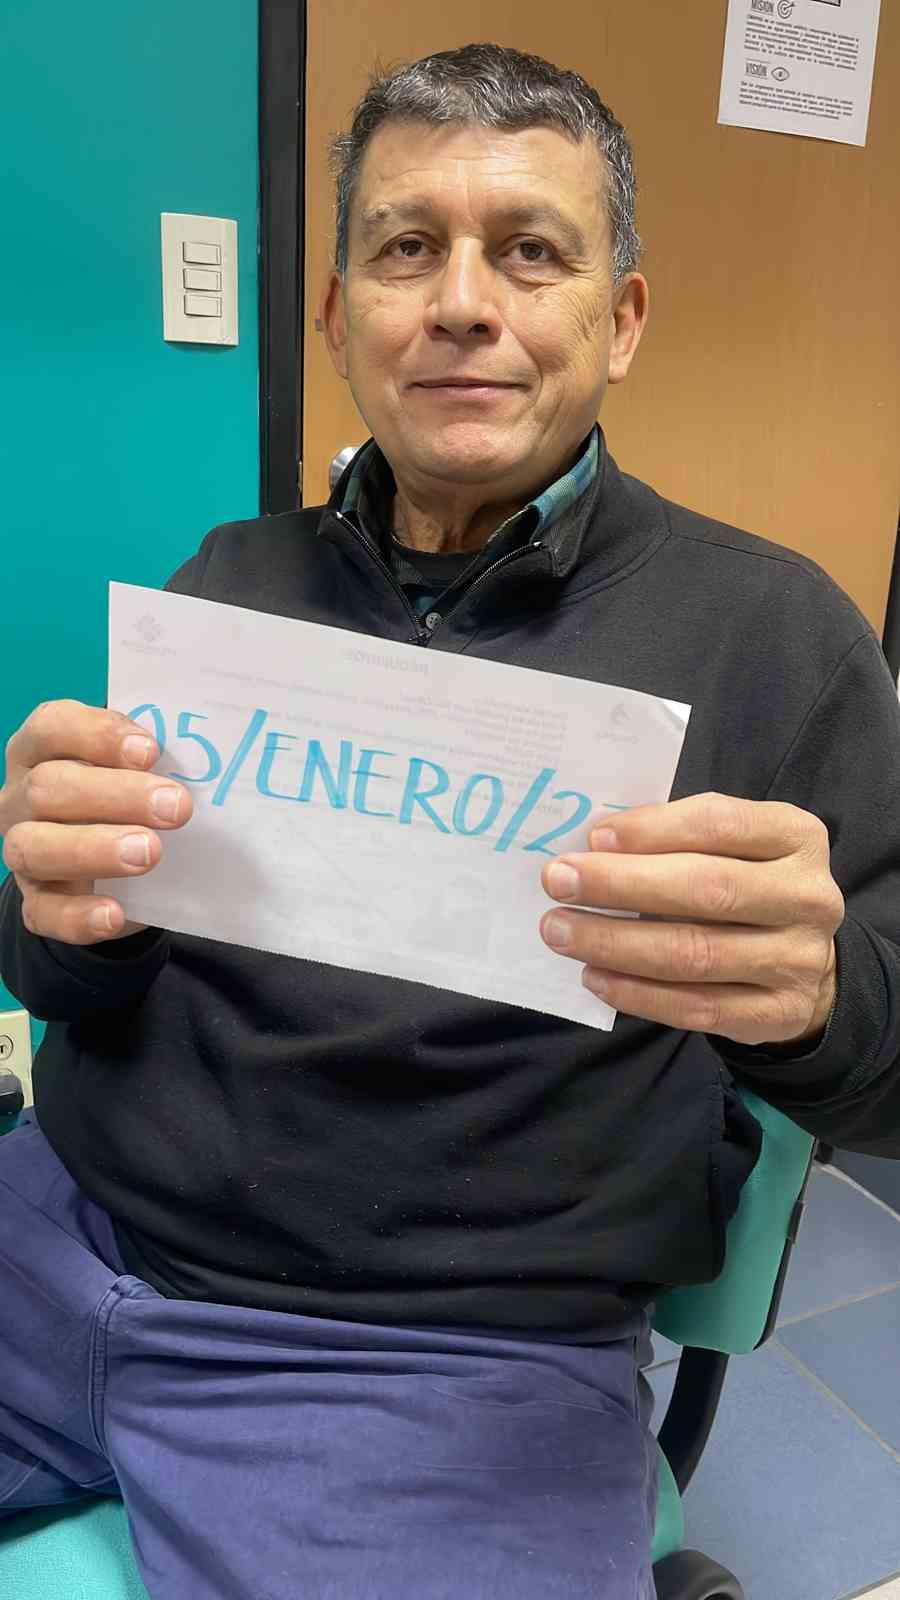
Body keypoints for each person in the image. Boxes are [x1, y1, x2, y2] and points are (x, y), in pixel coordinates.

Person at [1, 41, 899, 1600]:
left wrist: (821, 1001)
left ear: (622, 319)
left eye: (531, 252)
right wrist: (56, 906)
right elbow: (68, 973)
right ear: (338, 317)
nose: (465, 302)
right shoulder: (230, 578)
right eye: (408, 247)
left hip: (436, 1363)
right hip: (58, 1228)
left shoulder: (778, 636)